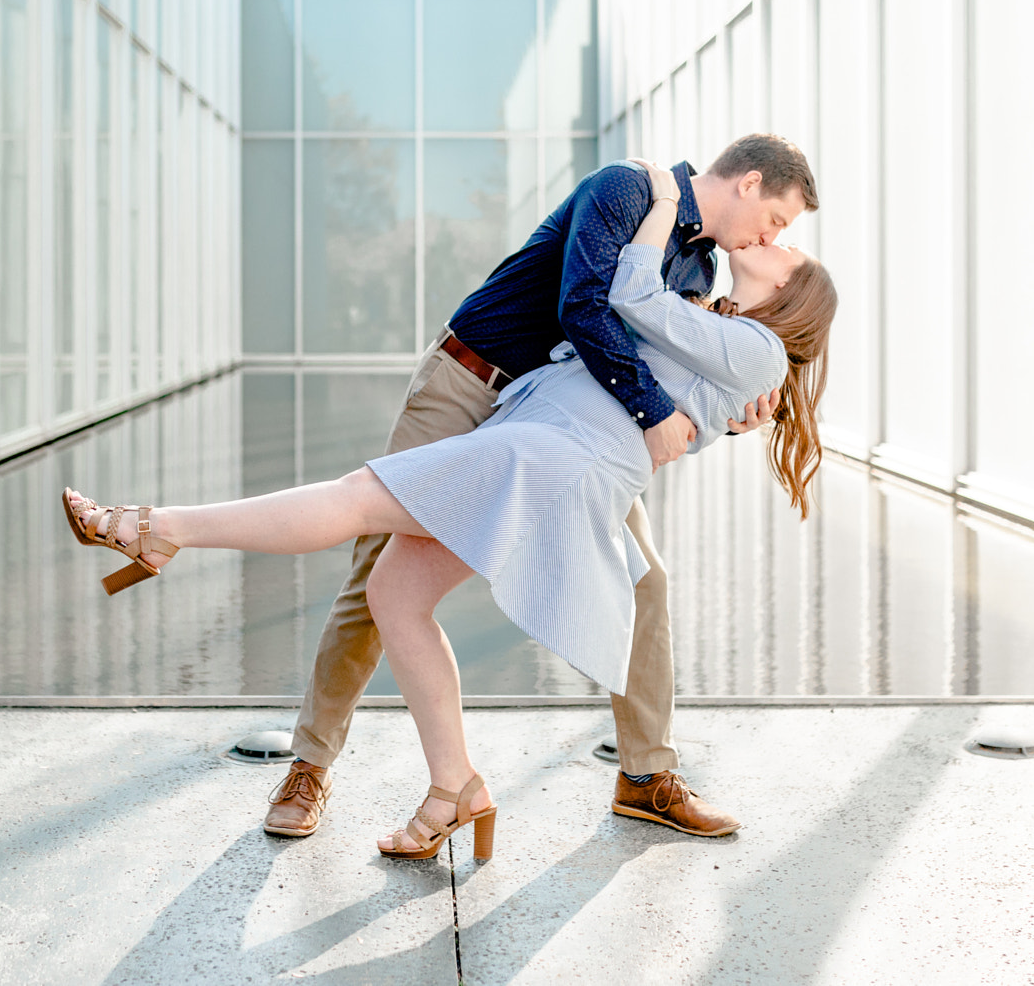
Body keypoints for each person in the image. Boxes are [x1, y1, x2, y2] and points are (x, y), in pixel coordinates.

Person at [64, 144, 836, 858]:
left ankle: (643, 776)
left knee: (645, 583)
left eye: (780, 235)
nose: (765, 236)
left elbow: (687, 377)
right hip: (475, 384)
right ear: (748, 183)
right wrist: (659, 410)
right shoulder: (630, 190)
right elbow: (587, 310)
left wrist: (727, 416)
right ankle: (310, 764)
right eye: (775, 219)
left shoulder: (702, 280)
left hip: (566, 433)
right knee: (378, 573)